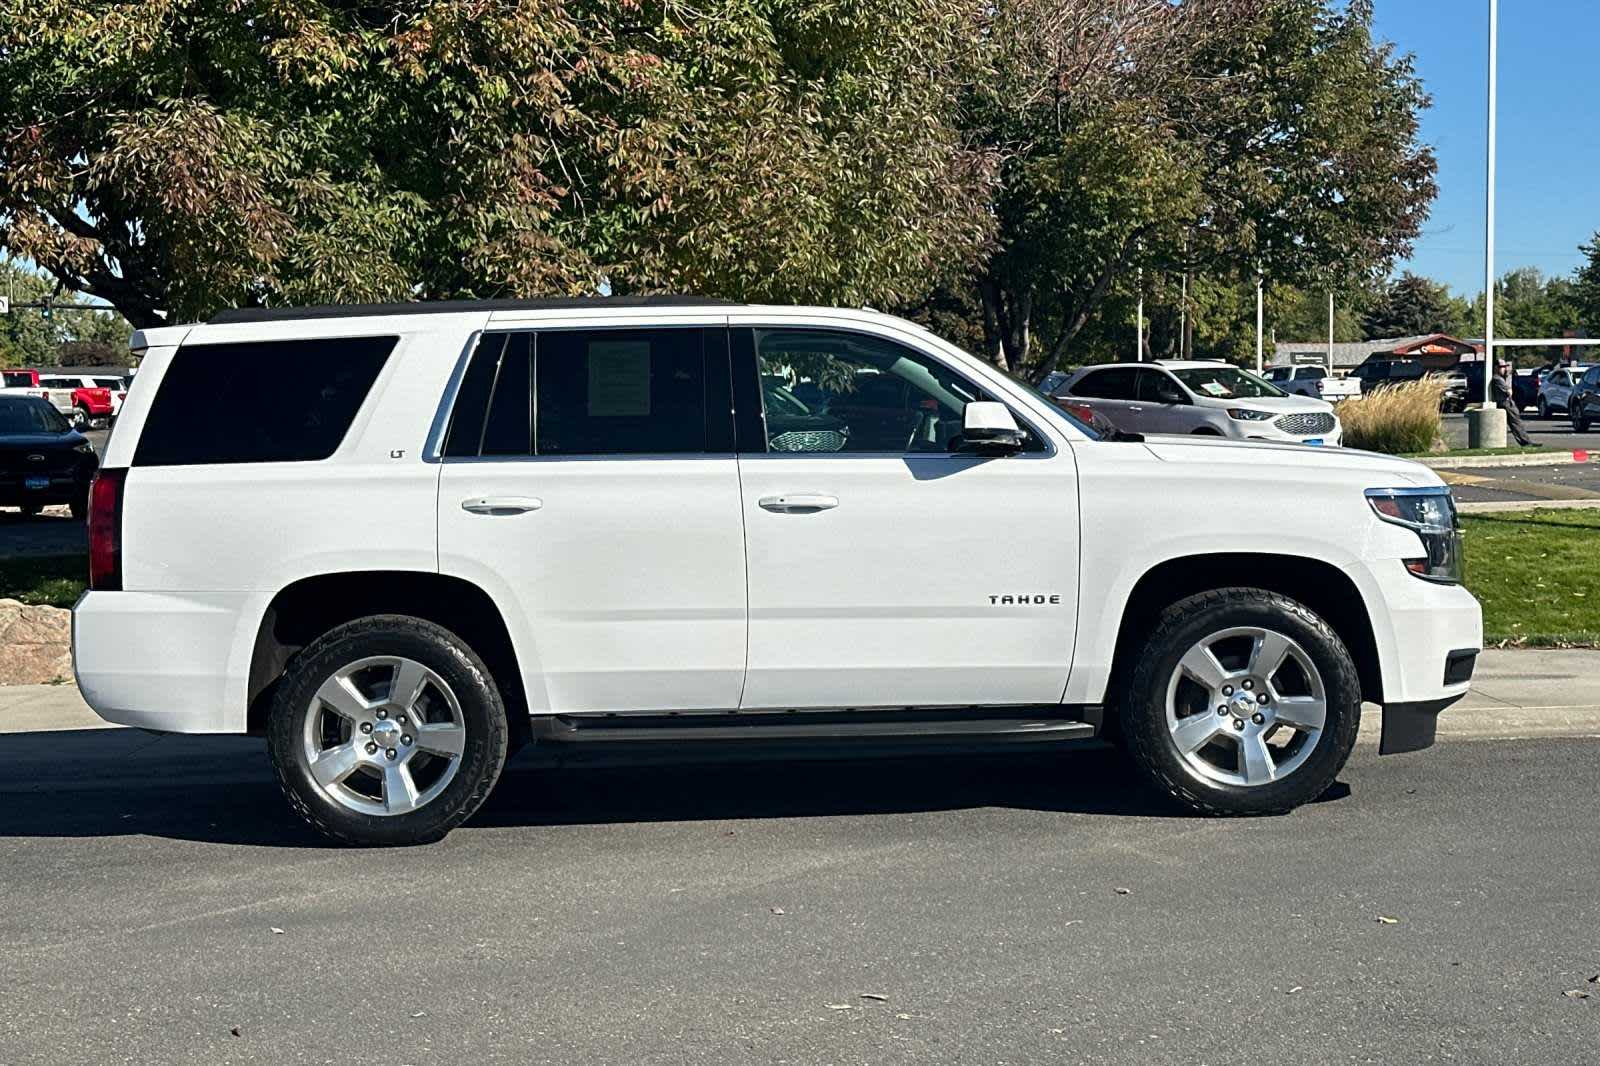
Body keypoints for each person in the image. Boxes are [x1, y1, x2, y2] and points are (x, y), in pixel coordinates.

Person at [1492, 359, 1534, 446]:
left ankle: (1525, 441)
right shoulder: (1497, 379)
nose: (1504, 369)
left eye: (1505, 367)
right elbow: (1509, 392)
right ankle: (1526, 442)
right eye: (1502, 367)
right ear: (1496, 367)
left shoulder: (1501, 378)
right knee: (1516, 423)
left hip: (1507, 402)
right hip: (1506, 403)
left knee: (1516, 423)